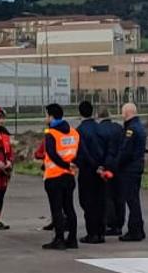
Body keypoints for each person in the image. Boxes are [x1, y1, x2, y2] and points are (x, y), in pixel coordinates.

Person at [42, 103, 79, 250]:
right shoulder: (73, 133)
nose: (45, 118)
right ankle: (72, 239)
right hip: (69, 177)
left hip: (54, 175)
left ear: (51, 116)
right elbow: (78, 151)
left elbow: (52, 153)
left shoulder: (51, 134)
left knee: (56, 209)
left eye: (46, 115)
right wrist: (72, 165)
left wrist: (64, 165)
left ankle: (59, 239)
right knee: (69, 208)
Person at [76, 101, 108, 244]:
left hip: (88, 170)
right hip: (102, 169)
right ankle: (101, 231)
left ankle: (92, 233)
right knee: (100, 201)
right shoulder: (100, 128)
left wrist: (92, 165)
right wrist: (102, 165)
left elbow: (83, 152)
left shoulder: (80, 130)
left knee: (88, 203)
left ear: (80, 113)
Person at [117, 103, 147, 242]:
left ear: (127, 113)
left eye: (123, 112)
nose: (122, 115)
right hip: (137, 167)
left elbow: (126, 151)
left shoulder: (131, 129)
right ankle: (139, 228)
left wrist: (116, 164)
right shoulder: (139, 126)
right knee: (134, 199)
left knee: (131, 200)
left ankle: (135, 230)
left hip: (130, 169)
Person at [97, 107, 125, 236]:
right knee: (119, 195)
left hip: (106, 166)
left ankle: (111, 223)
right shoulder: (119, 128)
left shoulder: (99, 130)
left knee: (107, 196)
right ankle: (119, 223)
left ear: (98, 116)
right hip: (119, 165)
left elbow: (99, 150)